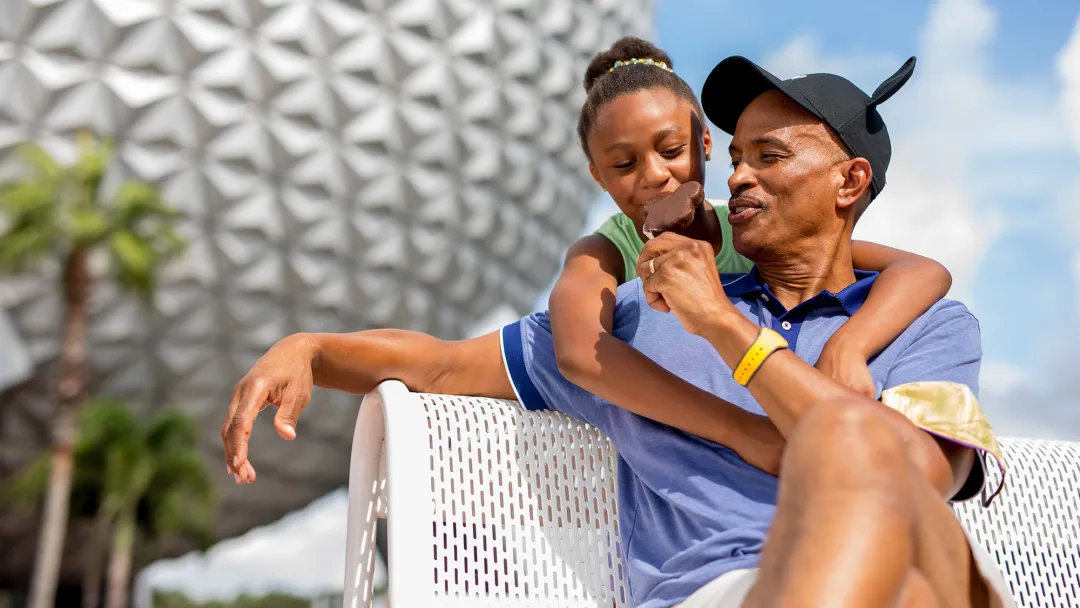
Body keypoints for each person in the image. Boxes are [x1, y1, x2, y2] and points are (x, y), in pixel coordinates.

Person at [221, 55, 1011, 607]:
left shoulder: (926, 327)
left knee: (873, 476)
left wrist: (725, 328)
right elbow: (440, 367)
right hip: (726, 590)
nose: (737, 175)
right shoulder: (634, 318)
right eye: (736, 156)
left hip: (908, 561)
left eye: (769, 156)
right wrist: (314, 349)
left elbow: (912, 471)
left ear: (850, 182)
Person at [551, 37, 953, 403]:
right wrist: (740, 435)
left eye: (672, 149)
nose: (655, 175)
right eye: (624, 164)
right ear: (598, 177)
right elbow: (580, 352)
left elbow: (922, 271)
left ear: (705, 144)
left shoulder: (754, 231)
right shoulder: (604, 253)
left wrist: (849, 345)